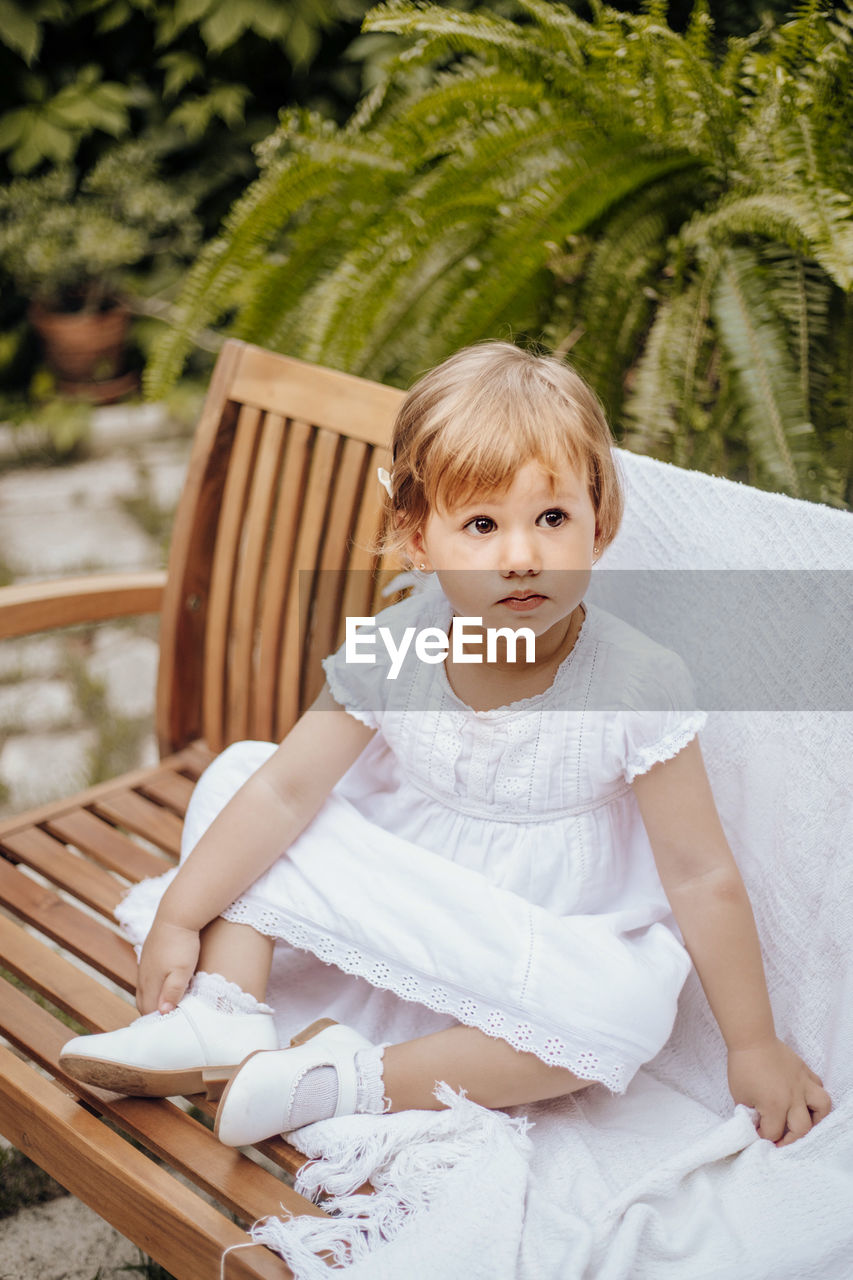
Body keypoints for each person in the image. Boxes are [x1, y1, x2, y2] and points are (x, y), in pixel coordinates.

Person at [60, 341, 830, 1150]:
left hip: (530, 947)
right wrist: (181, 916)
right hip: (402, 900)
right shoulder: (396, 649)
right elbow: (285, 793)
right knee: (244, 774)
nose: (522, 554)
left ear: (598, 522)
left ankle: (342, 1079)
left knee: (630, 1010)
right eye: (481, 524)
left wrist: (752, 1046)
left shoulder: (637, 683)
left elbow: (700, 874)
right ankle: (223, 1014)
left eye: (552, 517)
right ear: (419, 540)